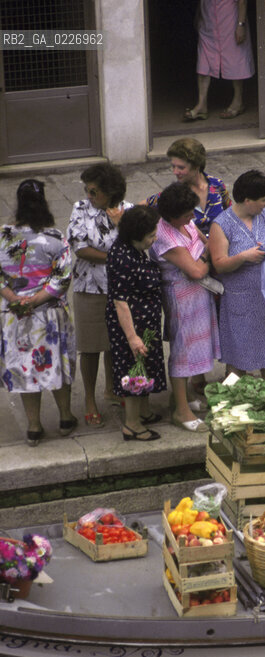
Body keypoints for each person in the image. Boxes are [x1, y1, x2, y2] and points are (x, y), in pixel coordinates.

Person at [0, 180, 77, 446]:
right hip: (49, 315)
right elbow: (62, 279)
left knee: (25, 369)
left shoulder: (3, 237)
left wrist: (16, 299)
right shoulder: (55, 238)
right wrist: (35, 300)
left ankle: (34, 427)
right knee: (57, 364)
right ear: (44, 203)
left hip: (15, 316)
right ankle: (65, 418)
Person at [150, 182, 220, 432]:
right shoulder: (165, 236)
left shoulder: (186, 222)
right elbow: (196, 271)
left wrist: (203, 253)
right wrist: (206, 255)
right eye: (188, 214)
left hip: (198, 295)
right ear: (172, 216)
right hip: (181, 298)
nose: (193, 217)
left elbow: (204, 240)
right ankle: (181, 411)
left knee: (195, 347)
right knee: (183, 351)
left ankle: (183, 397)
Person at [67, 162, 132, 427]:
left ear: (110, 191)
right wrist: (115, 257)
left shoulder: (127, 211)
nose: (89, 195)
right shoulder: (81, 209)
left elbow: (139, 244)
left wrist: (121, 225)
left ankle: (113, 389)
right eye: (87, 190)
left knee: (116, 343)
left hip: (120, 288)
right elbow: (80, 248)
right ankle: (90, 399)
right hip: (89, 288)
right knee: (91, 347)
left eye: (94, 191)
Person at [209, 170, 265, 380]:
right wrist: (244, 257)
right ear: (247, 200)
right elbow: (219, 264)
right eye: (263, 199)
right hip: (240, 301)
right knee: (237, 359)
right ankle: (231, 398)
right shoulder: (221, 224)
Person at [106, 206, 167, 442]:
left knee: (146, 365)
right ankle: (131, 424)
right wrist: (132, 338)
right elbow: (120, 302)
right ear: (136, 235)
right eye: (151, 235)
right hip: (131, 325)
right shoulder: (122, 257)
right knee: (134, 369)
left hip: (146, 321)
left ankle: (143, 411)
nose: (155, 238)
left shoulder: (135, 248)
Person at [183, 0, 254, 121]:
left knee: (235, 60)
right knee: (204, 62)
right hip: (208, 22)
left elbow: (242, 1)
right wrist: (198, 15)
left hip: (230, 21)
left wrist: (240, 25)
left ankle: (238, 103)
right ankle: (201, 105)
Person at [147, 138, 231, 235]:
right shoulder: (175, 194)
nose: (175, 172)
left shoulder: (217, 185)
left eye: (181, 167)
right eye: (173, 166)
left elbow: (231, 214)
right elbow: (143, 208)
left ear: (196, 166)